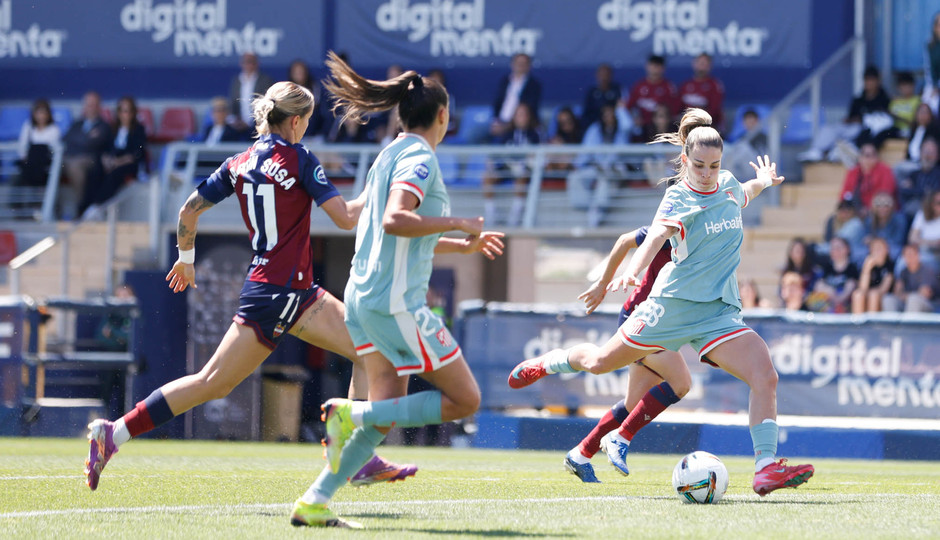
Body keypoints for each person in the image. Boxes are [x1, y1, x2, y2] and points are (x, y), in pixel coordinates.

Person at [83, 81, 416, 495]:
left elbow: (188, 210)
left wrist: (186, 259)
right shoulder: (299, 158)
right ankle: (353, 453)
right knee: (219, 380)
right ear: (296, 121)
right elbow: (346, 218)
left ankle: (115, 433)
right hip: (286, 292)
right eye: (307, 120)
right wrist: (379, 179)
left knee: (360, 350)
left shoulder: (238, 162)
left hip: (280, 291)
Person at [507, 108, 814, 497]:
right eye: (699, 165)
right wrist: (632, 271)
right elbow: (653, 238)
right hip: (670, 307)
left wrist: (764, 181)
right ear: (685, 159)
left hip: (717, 312)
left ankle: (765, 469)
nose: (707, 173)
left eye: (714, 166)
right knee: (600, 363)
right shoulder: (678, 197)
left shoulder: (727, 185)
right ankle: (549, 363)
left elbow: (744, 193)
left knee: (765, 375)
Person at [291, 51, 505, 528]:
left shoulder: (387, 153)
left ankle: (314, 500)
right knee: (466, 400)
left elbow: (394, 233)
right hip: (394, 304)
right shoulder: (420, 157)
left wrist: (460, 245)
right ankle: (348, 414)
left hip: (364, 299)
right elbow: (395, 219)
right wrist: (458, 221)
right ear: (443, 116)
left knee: (385, 412)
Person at [564, 226, 689, 483]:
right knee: (681, 383)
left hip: (661, 323)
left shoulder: (710, 235)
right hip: (643, 318)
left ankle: (581, 454)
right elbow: (624, 241)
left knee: (634, 404)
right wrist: (602, 284)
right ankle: (621, 437)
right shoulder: (674, 225)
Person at [798, 66, 891, 164]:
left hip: (866, 130)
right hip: (852, 126)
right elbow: (851, 116)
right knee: (829, 129)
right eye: (867, 80)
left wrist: (861, 120)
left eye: (871, 80)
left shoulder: (884, 99)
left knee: (853, 132)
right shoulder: (858, 99)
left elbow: (882, 120)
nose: (869, 83)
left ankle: (836, 152)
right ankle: (816, 151)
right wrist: (850, 120)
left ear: (877, 81)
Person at [82, 96, 148, 217]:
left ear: (133, 113)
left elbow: (137, 154)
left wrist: (117, 162)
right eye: (122, 111)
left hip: (128, 164)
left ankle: (98, 206)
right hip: (113, 161)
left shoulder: (139, 130)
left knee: (115, 173)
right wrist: (106, 160)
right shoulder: (112, 129)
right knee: (95, 170)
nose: (125, 115)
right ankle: (86, 207)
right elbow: (106, 149)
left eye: (128, 111)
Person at [566, 104, 629, 227]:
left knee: (604, 181)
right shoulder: (595, 129)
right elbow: (586, 152)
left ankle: (596, 213)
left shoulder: (622, 128)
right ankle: (590, 206)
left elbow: (620, 152)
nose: (608, 117)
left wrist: (621, 108)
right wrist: (577, 164)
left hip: (615, 169)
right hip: (596, 168)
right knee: (575, 176)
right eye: (606, 114)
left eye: (611, 114)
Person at [482, 102, 541, 227]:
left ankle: (515, 216)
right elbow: (499, 154)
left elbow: (535, 155)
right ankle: (491, 214)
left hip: (525, 168)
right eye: (518, 115)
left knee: (521, 178)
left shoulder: (535, 134)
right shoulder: (507, 134)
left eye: (524, 115)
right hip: (508, 166)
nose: (521, 118)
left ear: (529, 117)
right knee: (487, 177)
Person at [60, 90, 111, 220]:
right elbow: (66, 139)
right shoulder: (76, 124)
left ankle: (81, 206)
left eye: (93, 104)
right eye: (88, 104)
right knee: (53, 166)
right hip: (69, 159)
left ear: (99, 107)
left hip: (91, 160)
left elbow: (93, 144)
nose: (90, 108)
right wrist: (86, 138)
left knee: (75, 166)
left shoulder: (104, 126)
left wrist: (80, 140)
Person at [623, 55, 679, 140]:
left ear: (663, 68)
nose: (655, 69)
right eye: (652, 65)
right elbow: (629, 106)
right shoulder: (640, 86)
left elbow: (675, 111)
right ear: (647, 66)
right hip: (643, 126)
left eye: (657, 66)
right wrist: (635, 118)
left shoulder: (668, 87)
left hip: (663, 128)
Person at [490, 53, 542, 141]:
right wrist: (495, 121)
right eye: (518, 63)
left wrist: (509, 125)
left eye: (523, 64)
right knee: (474, 134)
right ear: (512, 64)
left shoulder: (534, 85)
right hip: (500, 121)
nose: (520, 66)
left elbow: (529, 108)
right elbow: (497, 102)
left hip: (519, 123)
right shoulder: (505, 81)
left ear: (529, 66)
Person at [839, 140, 897, 216]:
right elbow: (844, 193)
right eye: (866, 155)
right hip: (856, 210)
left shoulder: (885, 170)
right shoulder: (853, 172)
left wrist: (869, 209)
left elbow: (886, 195)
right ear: (860, 157)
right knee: (835, 218)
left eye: (872, 155)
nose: (869, 159)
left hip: (879, 213)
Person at [808, 236, 859, 313]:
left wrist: (837, 298)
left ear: (847, 249)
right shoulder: (827, 267)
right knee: (812, 299)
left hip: (845, 304)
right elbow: (818, 285)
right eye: (833, 248)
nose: (835, 251)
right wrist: (830, 291)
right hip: (828, 303)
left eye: (838, 247)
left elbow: (851, 287)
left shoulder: (852, 268)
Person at [883, 243, 939, 312]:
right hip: (907, 304)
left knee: (913, 299)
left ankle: (909, 319)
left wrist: (904, 296)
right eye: (906, 255)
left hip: (930, 305)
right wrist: (905, 295)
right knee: (888, 299)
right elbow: (897, 292)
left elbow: (925, 294)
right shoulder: (903, 272)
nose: (909, 257)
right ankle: (890, 319)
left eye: (911, 254)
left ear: (918, 255)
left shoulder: (927, 271)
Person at [228, 52, 274, 135]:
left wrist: (250, 122)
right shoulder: (237, 81)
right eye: (245, 62)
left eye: (251, 62)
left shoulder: (265, 81)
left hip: (258, 126)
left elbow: (267, 104)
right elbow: (233, 104)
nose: (248, 65)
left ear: (257, 64)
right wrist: (235, 120)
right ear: (241, 64)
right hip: (238, 126)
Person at [287, 59, 333, 140]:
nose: (299, 75)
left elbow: (318, 109)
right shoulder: (286, 89)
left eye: (301, 72)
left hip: (313, 131)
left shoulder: (314, 88)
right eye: (296, 72)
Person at [678, 53, 725, 133]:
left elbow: (714, 110)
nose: (702, 67)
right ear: (694, 64)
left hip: (707, 125)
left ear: (709, 67)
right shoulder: (685, 85)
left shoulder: (715, 85)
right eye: (700, 63)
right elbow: (678, 108)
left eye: (705, 64)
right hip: (686, 124)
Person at [898, 136, 940, 219]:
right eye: (925, 151)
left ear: (937, 156)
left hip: (931, 213)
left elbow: (933, 195)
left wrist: (914, 190)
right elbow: (904, 192)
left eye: (931, 152)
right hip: (910, 213)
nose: (927, 156)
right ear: (920, 153)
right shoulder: (914, 174)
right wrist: (924, 190)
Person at [851, 237, 895, 314]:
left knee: (873, 295)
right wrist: (866, 269)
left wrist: (871, 293)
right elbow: (862, 288)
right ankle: (858, 321)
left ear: (886, 250)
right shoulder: (867, 264)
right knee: (858, 295)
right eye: (874, 249)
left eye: (879, 248)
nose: (877, 251)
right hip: (868, 295)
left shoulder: (889, 265)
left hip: (883, 298)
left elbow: (884, 289)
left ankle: (872, 321)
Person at [863, 192, 908, 263]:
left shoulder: (900, 219)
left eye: (886, 205)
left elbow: (898, 241)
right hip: (874, 248)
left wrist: (877, 241)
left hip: (892, 249)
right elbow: (866, 239)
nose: (882, 208)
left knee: (895, 252)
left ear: (892, 206)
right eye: (879, 205)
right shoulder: (869, 220)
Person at [581, 63, 622, 129]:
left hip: (614, 125)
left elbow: (621, 109)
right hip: (595, 125)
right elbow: (587, 113)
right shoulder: (592, 92)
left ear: (611, 76)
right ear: (597, 76)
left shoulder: (617, 90)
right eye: (602, 75)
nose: (604, 78)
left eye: (606, 75)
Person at [908, 189, 940, 266]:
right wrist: (933, 242)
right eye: (939, 203)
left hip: (937, 254)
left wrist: (922, 241)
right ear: (931, 203)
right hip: (921, 253)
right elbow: (912, 238)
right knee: (903, 262)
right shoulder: (922, 215)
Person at [888, 72, 919, 139]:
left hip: (910, 131)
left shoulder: (917, 101)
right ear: (898, 87)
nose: (906, 88)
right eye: (903, 85)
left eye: (908, 85)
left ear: (913, 86)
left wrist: (900, 118)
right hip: (894, 130)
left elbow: (915, 121)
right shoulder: (894, 101)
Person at [923, 12, 940, 114]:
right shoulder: (930, 45)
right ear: (935, 28)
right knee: (928, 103)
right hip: (934, 84)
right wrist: (934, 86)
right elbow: (929, 69)